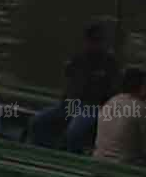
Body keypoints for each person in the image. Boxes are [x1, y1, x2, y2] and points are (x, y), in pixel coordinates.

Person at [29, 25, 120, 153]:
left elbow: (114, 93)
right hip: (69, 105)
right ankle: (43, 153)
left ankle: (72, 160)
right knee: (36, 122)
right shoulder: (77, 59)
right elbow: (69, 83)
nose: (92, 45)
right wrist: (65, 101)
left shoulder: (110, 64)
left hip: (92, 108)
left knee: (74, 132)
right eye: (90, 41)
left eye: (96, 41)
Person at [93, 68, 146, 169]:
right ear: (142, 88)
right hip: (125, 171)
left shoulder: (110, 102)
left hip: (98, 165)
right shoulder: (143, 109)